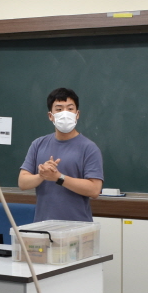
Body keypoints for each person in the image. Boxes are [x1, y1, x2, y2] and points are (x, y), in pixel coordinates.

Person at [18, 88, 104, 222]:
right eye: (59, 109)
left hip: (77, 229)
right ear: (50, 115)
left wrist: (58, 177)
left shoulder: (89, 148)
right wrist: (42, 175)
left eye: (70, 109)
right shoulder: (38, 144)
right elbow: (23, 182)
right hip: (43, 226)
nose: (65, 114)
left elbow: (94, 190)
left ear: (77, 114)